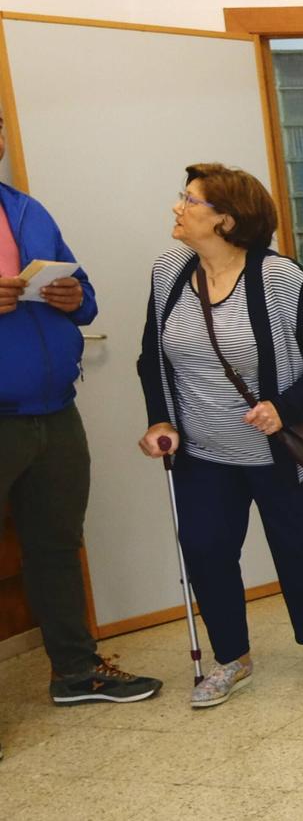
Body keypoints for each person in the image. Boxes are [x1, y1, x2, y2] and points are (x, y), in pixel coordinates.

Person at [137, 164, 303, 708]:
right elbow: (151, 359)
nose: (178, 207)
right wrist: (160, 420)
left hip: (278, 451)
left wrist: (283, 408)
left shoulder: (281, 279)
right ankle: (231, 658)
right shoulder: (169, 273)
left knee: (297, 546)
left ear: (226, 220)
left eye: (190, 200)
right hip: (202, 451)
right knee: (205, 549)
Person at [0, 112, 163, 718]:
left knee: (57, 547)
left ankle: (76, 672)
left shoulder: (27, 210)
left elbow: (84, 294)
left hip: (55, 413)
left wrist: (74, 298)